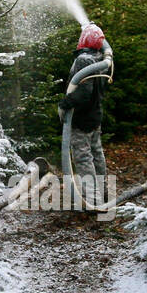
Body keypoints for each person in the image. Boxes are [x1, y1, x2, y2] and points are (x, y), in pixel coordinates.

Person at [58, 23, 112, 205]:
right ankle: (104, 191)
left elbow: (84, 92)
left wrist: (66, 103)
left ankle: (93, 200)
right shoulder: (101, 58)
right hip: (95, 116)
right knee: (97, 153)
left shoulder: (84, 60)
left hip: (81, 118)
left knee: (83, 158)